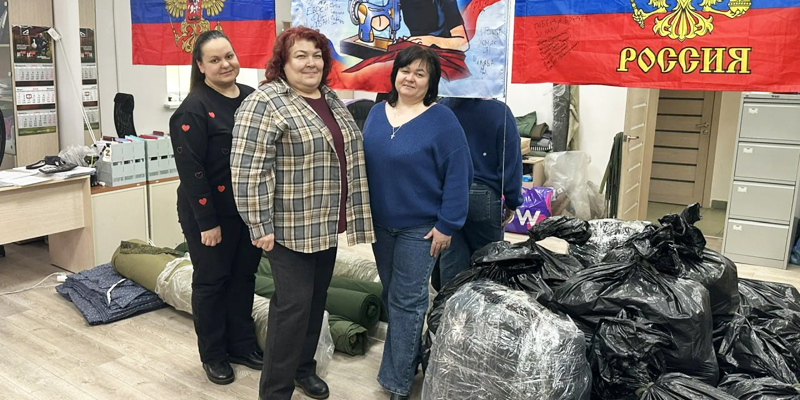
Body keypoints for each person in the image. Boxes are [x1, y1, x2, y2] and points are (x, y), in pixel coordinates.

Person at [230, 27, 375, 400]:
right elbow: (248, 171)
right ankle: (275, 390)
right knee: (292, 308)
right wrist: (259, 224)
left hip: (324, 223)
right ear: (283, 62)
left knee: (315, 301)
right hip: (288, 227)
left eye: (317, 55)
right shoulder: (265, 102)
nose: (311, 63)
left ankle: (302, 370)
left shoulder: (330, 99)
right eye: (300, 55)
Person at [361, 45, 473, 400]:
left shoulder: (442, 120)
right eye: (405, 70)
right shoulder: (376, 113)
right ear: (395, 73)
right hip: (381, 226)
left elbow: (459, 174)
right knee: (392, 295)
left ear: (431, 82)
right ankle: (414, 356)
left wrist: (448, 224)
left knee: (408, 302)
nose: (410, 78)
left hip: (421, 229)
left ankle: (397, 382)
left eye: (420, 73)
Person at [169, 30, 263, 386]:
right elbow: (191, 171)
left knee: (243, 278)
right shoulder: (192, 109)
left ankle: (242, 345)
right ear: (200, 65)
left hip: (247, 211)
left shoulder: (252, 98)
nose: (225, 64)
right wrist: (208, 222)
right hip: (208, 213)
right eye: (215, 59)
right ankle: (214, 354)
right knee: (212, 282)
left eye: (229, 56)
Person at [435, 98, 524, 290]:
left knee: (452, 264)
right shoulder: (500, 112)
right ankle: (485, 307)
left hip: (448, 194)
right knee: (489, 264)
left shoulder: (443, 108)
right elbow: (511, 162)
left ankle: (449, 306)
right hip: (483, 194)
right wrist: (512, 200)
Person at [401, 0, 469, 51]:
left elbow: (463, 43)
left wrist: (431, 41)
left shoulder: (446, 2)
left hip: (443, 55)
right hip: (418, 54)